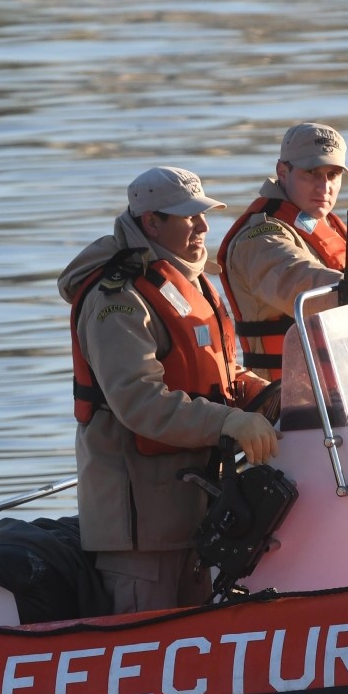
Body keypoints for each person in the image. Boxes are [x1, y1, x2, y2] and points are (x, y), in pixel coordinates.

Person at [59, 166, 279, 615]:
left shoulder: (189, 278)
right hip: (143, 530)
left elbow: (223, 372)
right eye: (187, 217)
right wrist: (230, 421)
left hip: (198, 514)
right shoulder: (116, 297)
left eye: (203, 215)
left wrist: (280, 398)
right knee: (147, 650)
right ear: (151, 222)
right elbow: (139, 402)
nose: (202, 226)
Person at [216, 122, 348, 380]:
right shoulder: (258, 238)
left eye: (333, 175)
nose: (324, 186)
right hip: (289, 402)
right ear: (282, 171)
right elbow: (296, 279)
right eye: (312, 173)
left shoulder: (326, 225)